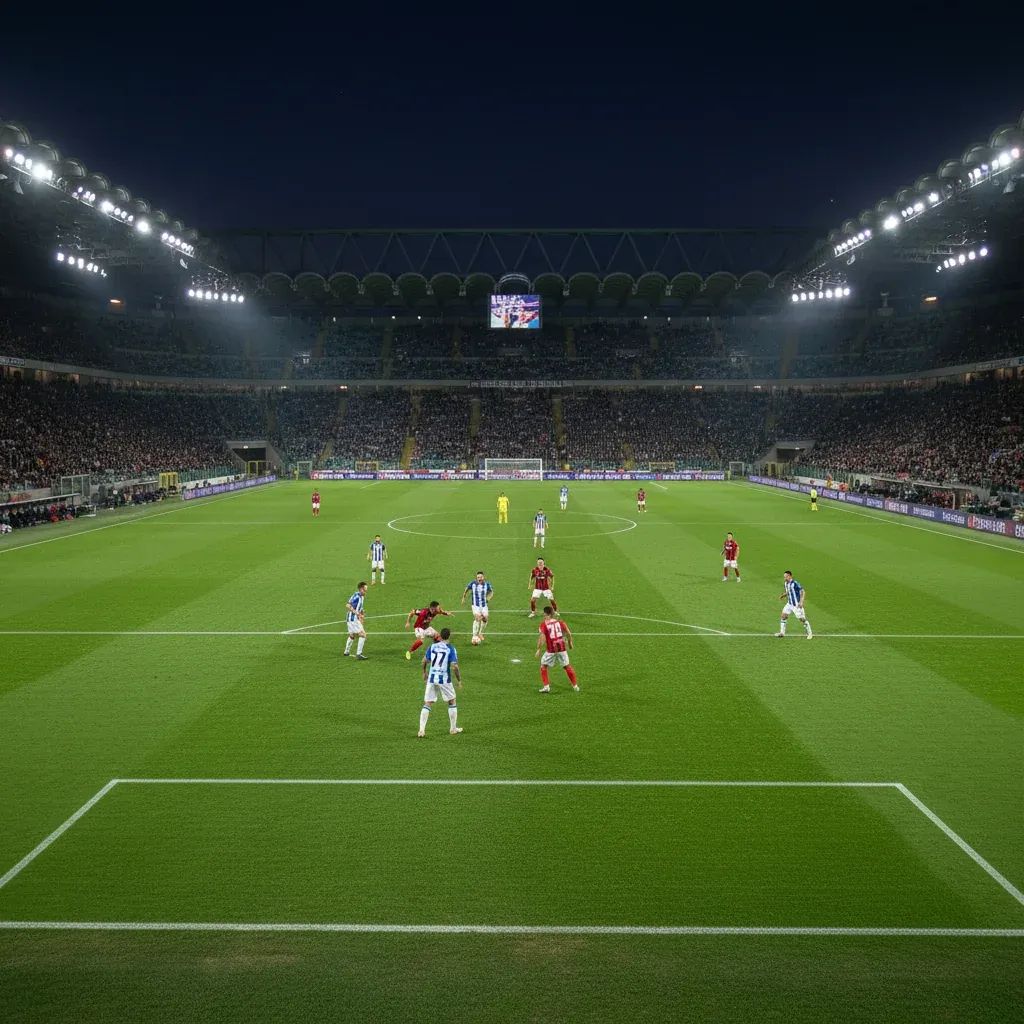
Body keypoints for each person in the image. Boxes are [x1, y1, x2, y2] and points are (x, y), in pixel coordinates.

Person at [418, 627, 463, 737]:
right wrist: (459, 680)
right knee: (452, 701)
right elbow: (454, 667)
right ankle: (453, 729)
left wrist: (424, 672)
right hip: (444, 679)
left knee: (428, 703)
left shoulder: (432, 646)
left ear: (440, 636)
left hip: (432, 678)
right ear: (449, 636)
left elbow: (424, 661)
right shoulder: (450, 649)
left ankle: (421, 730)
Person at [536, 607, 579, 693]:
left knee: (543, 666)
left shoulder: (543, 625)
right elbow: (568, 633)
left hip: (551, 650)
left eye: (544, 613)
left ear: (546, 614)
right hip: (562, 648)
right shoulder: (561, 623)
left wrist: (538, 649)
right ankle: (575, 686)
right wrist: (570, 643)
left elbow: (542, 639)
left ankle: (546, 687)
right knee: (567, 666)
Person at [776, 570, 813, 640]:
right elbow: (788, 591)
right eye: (784, 577)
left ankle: (810, 633)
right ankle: (782, 633)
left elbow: (803, 591)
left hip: (796, 605)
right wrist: (783, 595)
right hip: (789, 604)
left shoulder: (795, 583)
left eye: (786, 577)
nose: (785, 578)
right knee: (783, 616)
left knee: (802, 619)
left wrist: (801, 602)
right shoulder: (786, 583)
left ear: (790, 576)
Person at [462, 571, 493, 643]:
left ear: (483, 577)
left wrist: (488, 598)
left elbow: (491, 592)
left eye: (481, 577)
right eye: (478, 577)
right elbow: (466, 589)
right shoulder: (472, 583)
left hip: (484, 605)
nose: (479, 578)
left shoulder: (487, 584)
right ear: (476, 578)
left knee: (485, 619)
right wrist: (463, 597)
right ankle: (474, 635)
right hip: (475, 606)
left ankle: (480, 633)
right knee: (478, 618)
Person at [344, 582, 369, 659]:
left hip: (352, 619)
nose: (366, 591)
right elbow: (348, 605)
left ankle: (346, 652)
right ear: (361, 589)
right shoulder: (356, 596)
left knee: (352, 635)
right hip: (353, 619)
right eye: (365, 590)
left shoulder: (362, 597)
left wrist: (362, 613)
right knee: (363, 635)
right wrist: (357, 614)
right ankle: (359, 654)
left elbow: (359, 608)